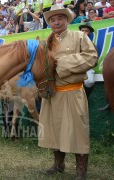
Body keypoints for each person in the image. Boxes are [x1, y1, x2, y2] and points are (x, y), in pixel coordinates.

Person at [39, 4, 98, 179]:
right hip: (52, 94)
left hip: (72, 92)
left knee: (77, 132)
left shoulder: (79, 36)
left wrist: (61, 64)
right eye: (52, 19)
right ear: (49, 23)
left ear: (66, 20)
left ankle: (81, 170)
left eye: (60, 18)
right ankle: (59, 164)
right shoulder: (46, 42)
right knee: (54, 130)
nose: (56, 22)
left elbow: (91, 57)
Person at [79, 22, 97, 99]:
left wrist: (85, 66)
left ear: (90, 33)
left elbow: (95, 61)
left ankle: (86, 98)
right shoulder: (74, 43)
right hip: (75, 67)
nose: (84, 32)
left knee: (90, 81)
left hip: (87, 68)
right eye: (82, 30)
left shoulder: (93, 45)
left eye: (86, 30)